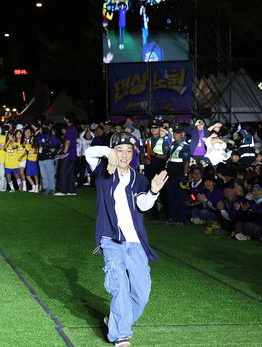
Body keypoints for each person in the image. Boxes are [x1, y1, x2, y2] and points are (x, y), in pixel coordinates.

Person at [84, 131, 168, 347]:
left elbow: (142, 205)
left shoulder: (139, 179)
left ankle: (114, 320)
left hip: (136, 242)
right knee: (120, 286)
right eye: (119, 150)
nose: (124, 155)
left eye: (128, 151)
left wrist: (153, 192)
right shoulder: (103, 170)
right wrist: (107, 153)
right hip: (110, 240)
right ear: (114, 151)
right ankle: (121, 335)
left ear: (133, 153)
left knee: (142, 295)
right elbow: (89, 152)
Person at [54, 112, 79, 196]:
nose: (64, 119)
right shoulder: (74, 129)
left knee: (63, 171)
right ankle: (71, 191)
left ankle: (63, 190)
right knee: (70, 172)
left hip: (68, 154)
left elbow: (67, 142)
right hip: (73, 154)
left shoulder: (70, 129)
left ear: (68, 119)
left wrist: (64, 153)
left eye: (65, 118)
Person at [36, 121, 58, 194]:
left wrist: (49, 147)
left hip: (48, 157)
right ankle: (46, 188)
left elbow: (56, 145)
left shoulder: (50, 136)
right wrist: (39, 133)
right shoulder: (40, 136)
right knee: (44, 174)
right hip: (41, 158)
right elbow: (34, 140)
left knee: (49, 174)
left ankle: (51, 188)